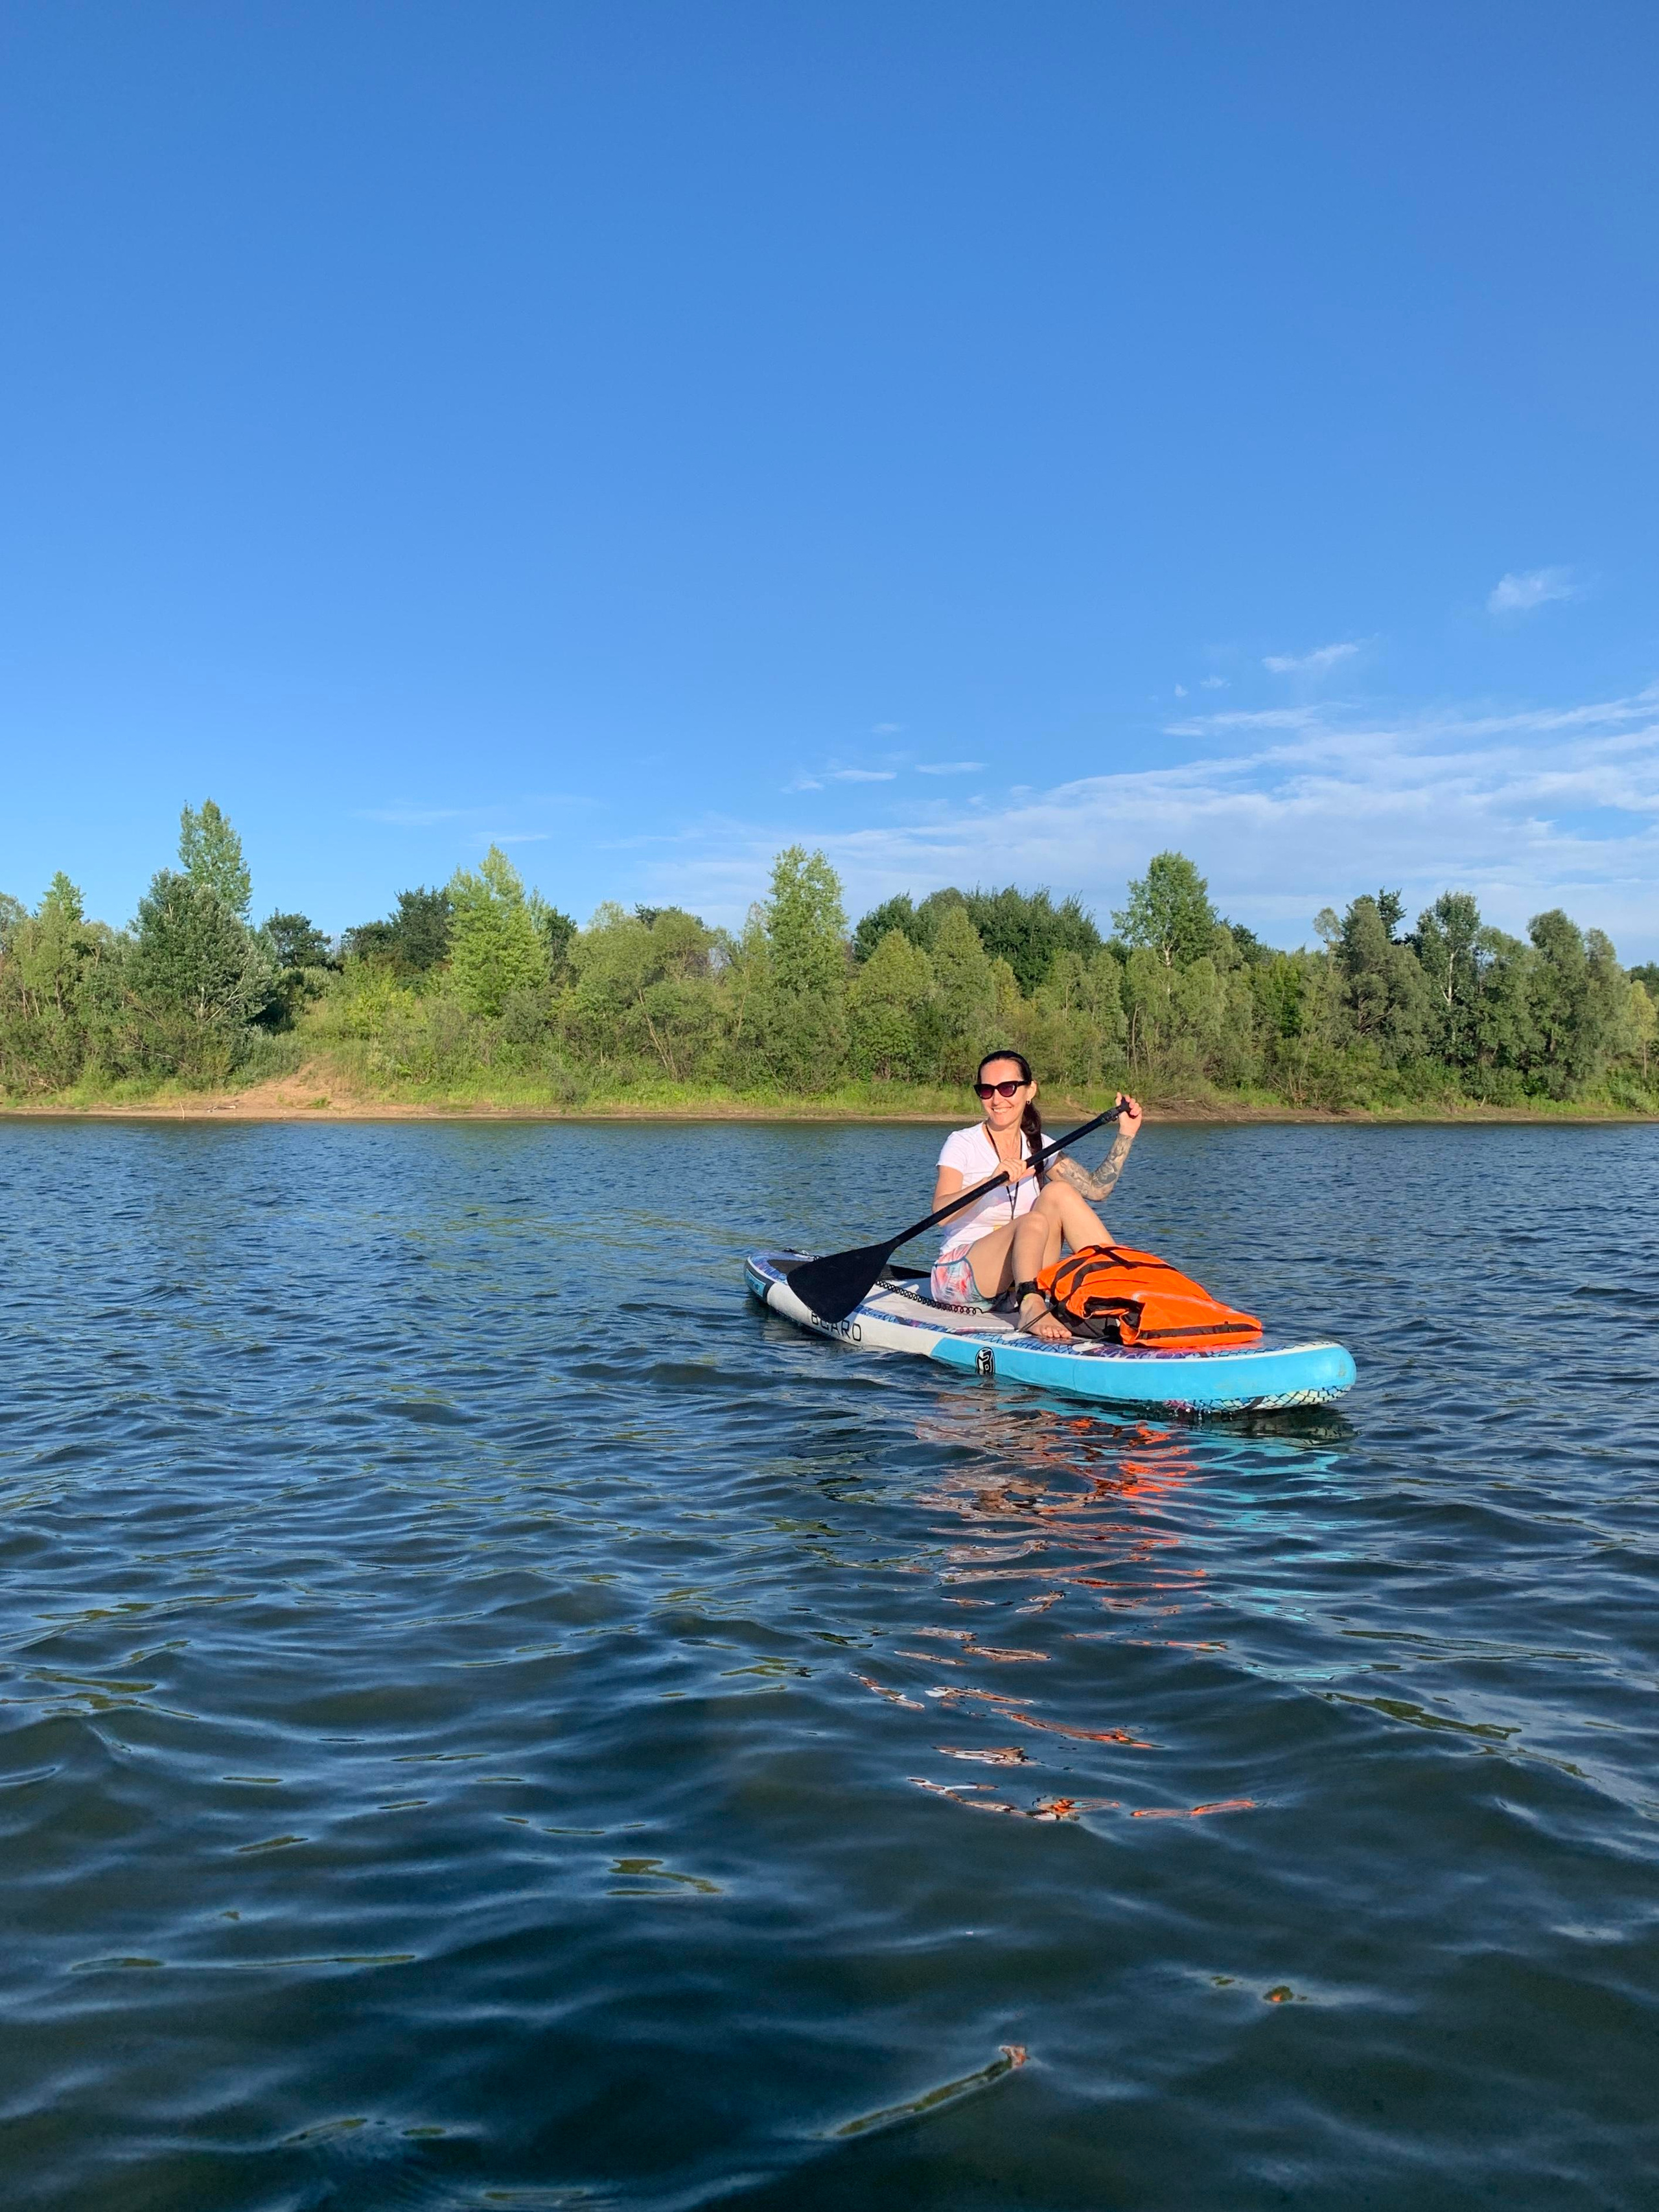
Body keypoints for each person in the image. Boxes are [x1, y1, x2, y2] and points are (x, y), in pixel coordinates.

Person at [930, 1050, 1143, 1343]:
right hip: (960, 1278)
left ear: (1030, 1090)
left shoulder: (1041, 1147)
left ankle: (1120, 1290)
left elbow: (1096, 1189)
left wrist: (1127, 1133)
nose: (997, 1099)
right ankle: (1032, 1306)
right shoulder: (962, 1143)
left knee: (1059, 1192)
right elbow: (940, 1214)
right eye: (986, 1090)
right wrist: (991, 1181)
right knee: (1032, 1222)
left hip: (1020, 1281)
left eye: (1007, 1088)